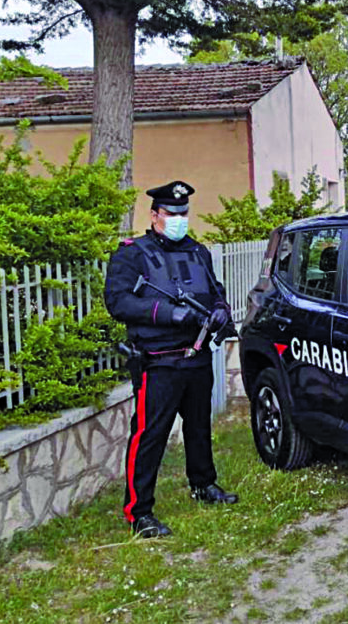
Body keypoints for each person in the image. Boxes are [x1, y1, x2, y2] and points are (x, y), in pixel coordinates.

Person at [104, 181, 238, 538]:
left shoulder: (198, 252)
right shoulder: (132, 253)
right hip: (158, 361)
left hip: (196, 355)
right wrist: (167, 313)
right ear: (154, 215)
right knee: (150, 435)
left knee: (198, 427)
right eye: (171, 213)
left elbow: (215, 290)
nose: (179, 219)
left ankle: (203, 485)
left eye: (183, 213)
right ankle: (139, 512)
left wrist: (221, 312)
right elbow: (118, 302)